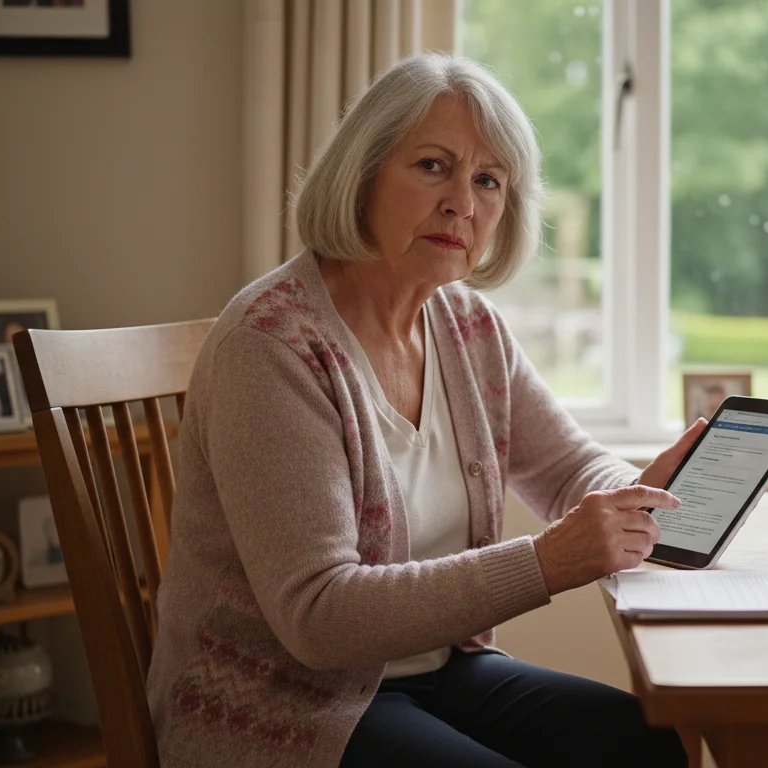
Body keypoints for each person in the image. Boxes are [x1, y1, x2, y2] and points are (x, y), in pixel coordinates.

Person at [147, 53, 699, 768]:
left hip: (433, 675)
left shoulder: (467, 326)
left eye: (488, 181)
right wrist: (545, 562)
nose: (463, 205)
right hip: (277, 701)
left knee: (639, 741)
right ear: (363, 172)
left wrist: (634, 494)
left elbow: (567, 466)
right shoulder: (272, 343)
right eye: (433, 166)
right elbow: (321, 617)